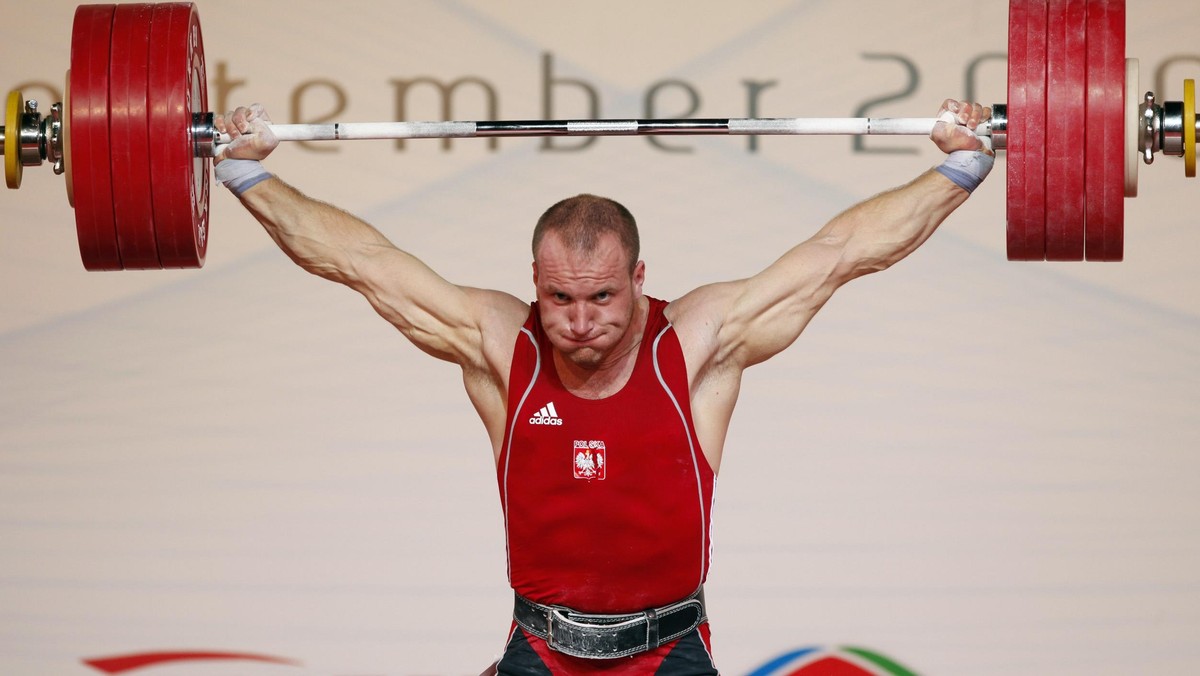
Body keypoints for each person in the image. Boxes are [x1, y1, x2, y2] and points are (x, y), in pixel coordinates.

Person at [213, 99, 994, 674]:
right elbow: (364, 263)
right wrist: (244, 171)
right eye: (560, 299)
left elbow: (841, 251)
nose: (580, 321)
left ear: (639, 279)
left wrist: (963, 163)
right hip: (542, 652)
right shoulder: (497, 344)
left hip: (671, 653)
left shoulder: (695, 343)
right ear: (535, 283)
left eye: (602, 297)